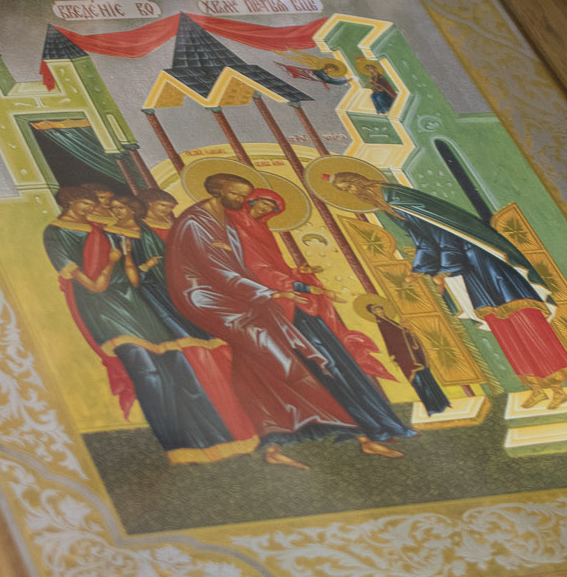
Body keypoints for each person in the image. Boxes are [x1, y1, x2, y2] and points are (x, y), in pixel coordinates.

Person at [164, 174, 410, 468]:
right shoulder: (210, 223)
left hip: (267, 301)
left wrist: (296, 278)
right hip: (235, 302)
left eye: (268, 207)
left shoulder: (242, 226)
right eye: (251, 200)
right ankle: (323, 436)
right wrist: (288, 288)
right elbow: (230, 270)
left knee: (292, 364)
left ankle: (353, 434)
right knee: (289, 365)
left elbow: (259, 267)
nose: (256, 207)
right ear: (222, 192)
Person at [327, 170, 567, 408]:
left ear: (359, 181)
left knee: (522, 317)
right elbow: (424, 240)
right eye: (344, 191)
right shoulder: (389, 207)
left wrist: (444, 272)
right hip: (467, 268)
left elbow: (445, 235)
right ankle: (535, 385)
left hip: (482, 262)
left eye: (349, 186)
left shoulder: (397, 197)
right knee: (499, 324)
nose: (351, 192)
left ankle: (557, 386)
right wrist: (420, 270)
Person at [44, 186, 250, 463]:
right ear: (69, 202)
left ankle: (215, 441)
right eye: (88, 204)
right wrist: (114, 264)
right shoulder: (55, 233)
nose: (94, 209)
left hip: (135, 302)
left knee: (178, 366)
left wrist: (135, 266)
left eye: (96, 204)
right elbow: (94, 285)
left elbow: (131, 273)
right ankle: (177, 446)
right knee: (147, 371)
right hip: (103, 308)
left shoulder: (102, 230)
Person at [230, 191, 412, 444]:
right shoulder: (237, 228)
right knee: (323, 366)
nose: (265, 209)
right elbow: (257, 270)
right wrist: (301, 286)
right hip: (280, 308)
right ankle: (365, 426)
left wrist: (298, 273)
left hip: (297, 304)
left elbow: (273, 268)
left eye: (271, 207)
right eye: (262, 203)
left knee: (336, 363)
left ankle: (375, 424)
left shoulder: (262, 231)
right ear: (250, 201)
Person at [359, 297, 452, 416]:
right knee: (419, 380)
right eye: (377, 311)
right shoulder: (383, 325)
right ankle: (433, 407)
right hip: (405, 357)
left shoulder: (389, 321)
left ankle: (441, 402)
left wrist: (407, 330)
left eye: (380, 309)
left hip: (411, 353)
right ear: (374, 314)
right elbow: (392, 340)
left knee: (426, 376)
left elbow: (400, 335)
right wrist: (404, 333)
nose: (380, 312)